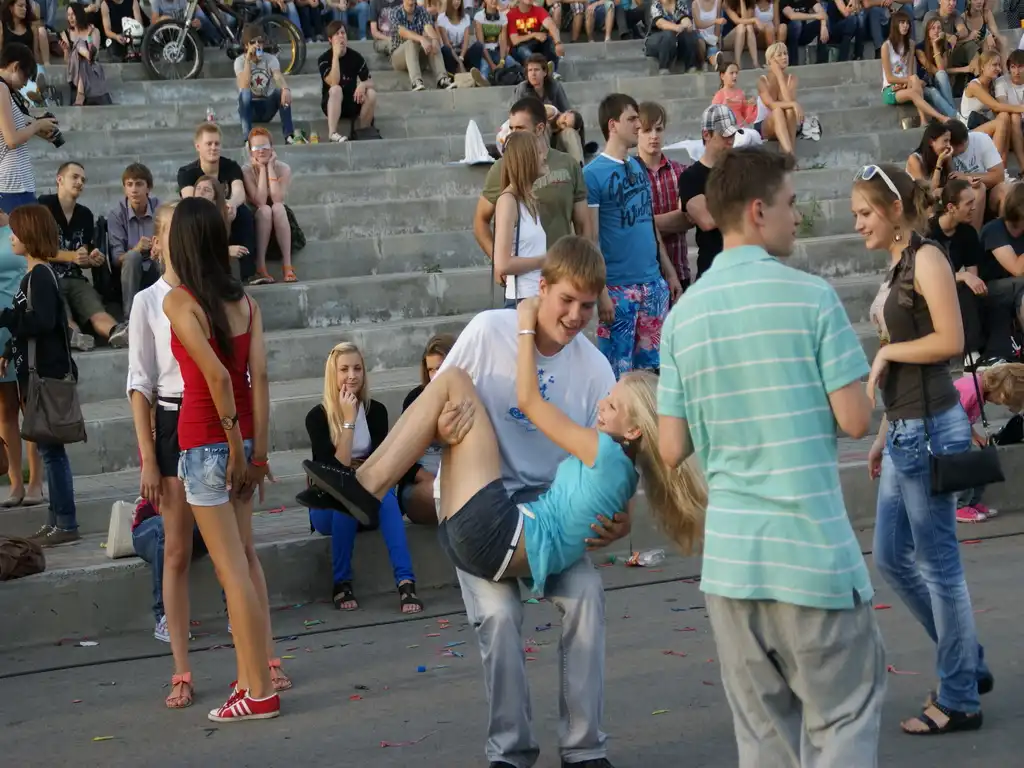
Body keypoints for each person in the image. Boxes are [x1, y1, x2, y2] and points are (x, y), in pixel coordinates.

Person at [310, 236, 633, 767]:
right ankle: (510, 752)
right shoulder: (489, 331)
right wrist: (440, 429)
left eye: (587, 305)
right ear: (542, 287)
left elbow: (610, 466)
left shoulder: (596, 369)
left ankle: (584, 750)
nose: (576, 316)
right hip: (480, 496)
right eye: (566, 300)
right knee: (499, 617)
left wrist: (621, 520)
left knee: (587, 597)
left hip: (546, 511)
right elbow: (436, 415)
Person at [658, 147, 885, 765]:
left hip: (733, 566)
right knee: (842, 722)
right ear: (758, 211)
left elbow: (673, 446)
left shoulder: (683, 318)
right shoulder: (812, 298)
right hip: (811, 557)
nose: (796, 216)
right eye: (790, 204)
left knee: (763, 740)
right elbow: (855, 419)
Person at [303, 296, 705, 596]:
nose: (601, 405)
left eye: (612, 406)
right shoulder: (622, 471)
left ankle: (366, 486)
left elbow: (529, 401)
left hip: (495, 534)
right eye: (608, 398)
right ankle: (364, 486)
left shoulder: (603, 453)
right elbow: (628, 499)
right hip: (504, 541)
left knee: (453, 380)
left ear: (633, 432)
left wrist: (525, 326)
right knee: (452, 392)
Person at [857, 163, 990, 735]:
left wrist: (886, 355)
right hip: (905, 429)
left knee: (939, 568)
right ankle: (968, 662)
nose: (858, 223)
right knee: (891, 556)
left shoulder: (928, 257)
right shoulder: (897, 264)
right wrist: (883, 433)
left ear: (894, 211)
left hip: (932, 427)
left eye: (865, 212)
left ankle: (960, 697)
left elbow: (950, 341)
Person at [162, 197, 290, 723]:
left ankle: (258, 690)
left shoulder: (179, 301)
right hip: (241, 443)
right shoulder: (246, 303)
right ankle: (252, 679)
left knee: (231, 570)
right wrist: (257, 451)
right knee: (242, 564)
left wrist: (238, 449)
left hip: (204, 444)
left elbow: (216, 376)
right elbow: (259, 378)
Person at [301, 341, 424, 613]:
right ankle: (341, 582)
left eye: (357, 368)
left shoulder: (376, 411)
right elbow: (335, 473)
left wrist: (364, 477)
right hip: (328, 507)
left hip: (370, 501)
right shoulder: (318, 417)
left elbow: (384, 465)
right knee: (347, 498)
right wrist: (348, 422)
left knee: (387, 500)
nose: (352, 375)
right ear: (333, 374)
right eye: (344, 369)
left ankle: (406, 582)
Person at [585, 93, 682, 379]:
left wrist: (669, 272)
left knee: (653, 374)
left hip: (653, 284)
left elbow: (648, 222)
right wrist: (601, 292)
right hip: (618, 288)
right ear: (612, 125)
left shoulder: (638, 167)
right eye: (632, 119)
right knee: (618, 376)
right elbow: (590, 238)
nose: (639, 125)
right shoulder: (592, 174)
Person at [0, 203, 80, 546]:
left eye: (16, 232)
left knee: (52, 453)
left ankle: (66, 522)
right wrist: (8, 350)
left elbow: (42, 322)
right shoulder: (31, 276)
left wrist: (5, 317)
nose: (11, 237)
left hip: (44, 375)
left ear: (30, 236)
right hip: (31, 374)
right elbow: (28, 321)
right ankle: (55, 521)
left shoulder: (41, 277)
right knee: (49, 452)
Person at [474, 97, 591, 267]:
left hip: (562, 270)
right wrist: (499, 261)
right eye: (511, 128)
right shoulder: (502, 167)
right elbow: (480, 221)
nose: (512, 134)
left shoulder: (568, 164)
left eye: (520, 128)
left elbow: (583, 224)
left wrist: (583, 265)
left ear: (540, 128)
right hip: (522, 274)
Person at [39, 161, 126, 351]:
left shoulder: (85, 214)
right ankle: (74, 336)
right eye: (75, 177)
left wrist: (91, 260)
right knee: (63, 312)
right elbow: (38, 249)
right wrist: (71, 256)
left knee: (96, 311)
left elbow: (82, 255)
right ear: (59, 179)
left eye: (83, 180)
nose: (80, 182)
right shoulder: (43, 205)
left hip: (75, 278)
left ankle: (118, 333)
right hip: (48, 276)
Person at [177, 122, 257, 282]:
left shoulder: (230, 166)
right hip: (201, 221)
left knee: (243, 212)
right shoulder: (187, 172)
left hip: (228, 218)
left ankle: (249, 273)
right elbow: (190, 200)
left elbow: (239, 192)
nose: (214, 148)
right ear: (198, 146)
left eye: (217, 143)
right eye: (209, 144)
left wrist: (231, 204)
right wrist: (218, 210)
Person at [0, 204, 41, 508]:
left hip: (23, 323)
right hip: (0, 330)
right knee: (5, 409)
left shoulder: (14, 226)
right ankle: (15, 482)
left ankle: (36, 480)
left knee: (31, 406)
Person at [950, 364, 1024, 522]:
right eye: (1002, 400)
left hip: (957, 431)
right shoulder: (971, 390)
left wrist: (975, 436)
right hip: (944, 434)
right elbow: (952, 419)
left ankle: (972, 501)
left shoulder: (980, 391)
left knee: (985, 453)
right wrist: (970, 438)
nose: (1000, 404)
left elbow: (964, 418)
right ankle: (958, 505)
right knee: (971, 456)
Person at [926, 179, 988, 362]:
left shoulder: (968, 233)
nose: (974, 208)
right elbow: (924, 276)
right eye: (968, 203)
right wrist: (962, 275)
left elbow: (973, 276)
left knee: (972, 291)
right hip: (926, 288)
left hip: (951, 288)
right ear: (951, 207)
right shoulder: (927, 231)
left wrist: (968, 278)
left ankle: (975, 353)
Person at [397, 333, 455, 526]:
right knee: (439, 491)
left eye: (441, 367)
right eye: (431, 369)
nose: (435, 375)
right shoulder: (415, 399)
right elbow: (403, 459)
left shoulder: (469, 397)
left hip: (458, 481)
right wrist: (431, 479)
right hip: (420, 487)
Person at [637, 101, 691, 298]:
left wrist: (644, 224)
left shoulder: (681, 172)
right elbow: (628, 228)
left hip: (679, 270)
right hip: (643, 278)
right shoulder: (628, 176)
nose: (654, 136)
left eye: (658, 129)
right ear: (636, 132)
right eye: (647, 130)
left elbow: (688, 218)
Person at [678, 104, 735, 280]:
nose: (730, 141)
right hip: (713, 272)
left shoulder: (740, 170)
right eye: (724, 135)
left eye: (732, 135)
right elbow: (707, 221)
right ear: (706, 134)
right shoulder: (691, 177)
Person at [494, 132, 548, 307]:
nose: (544, 157)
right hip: (522, 302)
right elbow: (502, 263)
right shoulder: (508, 201)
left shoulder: (528, 200)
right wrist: (546, 260)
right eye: (539, 152)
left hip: (538, 298)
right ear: (526, 158)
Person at [0, 44, 55, 212]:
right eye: (26, 76)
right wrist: (37, 125)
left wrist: (39, 128)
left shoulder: (6, 91)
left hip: (16, 184)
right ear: (15, 67)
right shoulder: (1, 88)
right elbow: (11, 140)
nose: (25, 84)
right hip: (11, 186)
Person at [107, 162, 160, 326]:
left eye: (139, 184)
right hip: (128, 274)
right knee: (132, 257)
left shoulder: (160, 209)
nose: (134, 190)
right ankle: (130, 320)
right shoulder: (116, 215)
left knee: (164, 257)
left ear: (148, 188)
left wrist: (159, 248)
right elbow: (116, 259)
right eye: (129, 184)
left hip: (155, 268)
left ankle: (165, 313)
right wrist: (136, 249)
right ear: (124, 189)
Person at [242, 128, 294, 284]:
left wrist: (269, 167)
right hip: (257, 217)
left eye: (265, 146)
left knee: (278, 208)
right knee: (265, 210)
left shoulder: (283, 169)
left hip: (280, 218)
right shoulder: (246, 170)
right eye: (256, 147)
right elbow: (260, 201)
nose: (261, 151)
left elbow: (277, 198)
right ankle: (261, 266)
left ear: (272, 148)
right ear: (250, 151)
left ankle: (287, 265)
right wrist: (261, 169)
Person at [881, 11, 947, 127]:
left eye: (907, 23)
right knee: (914, 84)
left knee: (915, 80)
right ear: (895, 25)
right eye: (902, 22)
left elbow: (910, 72)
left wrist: (907, 83)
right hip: (890, 89)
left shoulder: (911, 44)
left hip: (906, 85)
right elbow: (889, 78)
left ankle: (925, 120)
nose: (905, 26)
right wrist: (907, 81)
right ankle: (939, 117)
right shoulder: (886, 46)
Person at [235, 23, 296, 145]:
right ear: (246, 45)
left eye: (260, 41)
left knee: (282, 92)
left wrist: (285, 88)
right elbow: (243, 84)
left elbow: (277, 75)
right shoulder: (240, 61)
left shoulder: (270, 59)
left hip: (267, 105)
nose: (257, 45)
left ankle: (289, 136)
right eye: (253, 42)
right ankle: (247, 139)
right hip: (249, 108)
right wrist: (248, 60)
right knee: (245, 93)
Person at [318, 21, 378, 143]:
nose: (341, 36)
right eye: (337, 34)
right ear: (330, 39)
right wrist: (335, 56)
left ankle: (363, 132)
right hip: (332, 102)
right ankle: (332, 133)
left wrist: (363, 84)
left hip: (352, 100)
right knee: (336, 89)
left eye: (343, 33)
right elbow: (334, 82)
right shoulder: (324, 59)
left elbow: (371, 82)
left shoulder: (356, 57)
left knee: (371, 93)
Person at [194, 174, 253, 282]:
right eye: (198, 188)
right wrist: (226, 251)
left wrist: (228, 221)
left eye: (206, 190)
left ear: (215, 198)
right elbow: (195, 250)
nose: (200, 192)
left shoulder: (216, 217)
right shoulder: (189, 218)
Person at [388, 0, 453, 91]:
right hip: (398, 56)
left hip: (418, 55)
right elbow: (402, 32)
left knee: (432, 41)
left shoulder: (422, 11)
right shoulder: (395, 12)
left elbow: (428, 27)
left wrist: (434, 39)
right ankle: (416, 81)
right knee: (411, 42)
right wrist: (421, 38)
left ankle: (442, 79)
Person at [754, 42, 802, 156]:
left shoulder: (792, 79)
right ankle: (790, 155)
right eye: (779, 55)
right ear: (770, 60)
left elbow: (788, 101)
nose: (784, 57)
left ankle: (788, 152)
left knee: (789, 110)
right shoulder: (762, 81)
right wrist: (794, 104)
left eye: (785, 53)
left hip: (786, 123)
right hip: (765, 125)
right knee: (777, 111)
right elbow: (771, 105)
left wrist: (780, 77)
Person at [61, 3, 108, 106]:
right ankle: (86, 54)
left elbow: (95, 56)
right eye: (68, 15)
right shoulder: (65, 34)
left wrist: (89, 37)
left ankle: (80, 94)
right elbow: (68, 62)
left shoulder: (94, 31)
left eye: (73, 14)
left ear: (80, 14)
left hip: (92, 68)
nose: (70, 18)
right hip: (74, 71)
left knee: (81, 49)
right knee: (79, 43)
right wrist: (66, 50)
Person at [507, 0, 565, 73]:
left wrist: (558, 43)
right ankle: (541, 69)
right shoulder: (511, 14)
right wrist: (534, 34)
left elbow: (551, 26)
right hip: (519, 47)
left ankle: (553, 72)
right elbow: (515, 40)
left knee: (549, 39)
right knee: (523, 50)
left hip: (534, 43)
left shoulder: (539, 10)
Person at [644, 0, 701, 74]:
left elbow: (685, 19)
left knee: (689, 34)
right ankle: (664, 67)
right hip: (656, 40)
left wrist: (687, 24)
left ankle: (690, 66)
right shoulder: (655, 4)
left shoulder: (680, 3)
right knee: (669, 35)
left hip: (675, 39)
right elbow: (660, 23)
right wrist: (676, 27)